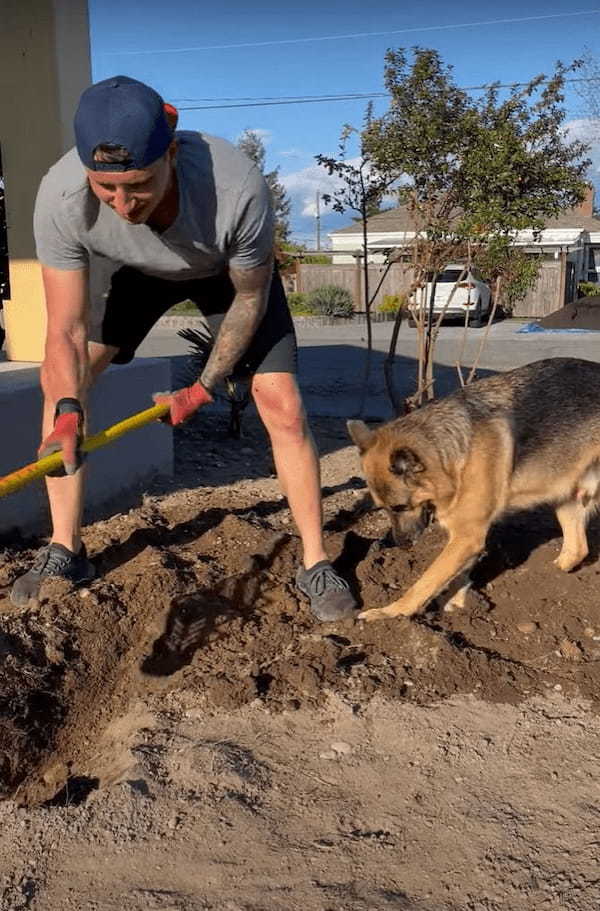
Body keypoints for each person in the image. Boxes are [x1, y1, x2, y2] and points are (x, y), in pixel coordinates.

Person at [10, 76, 357, 622]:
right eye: (106, 188)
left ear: (171, 151)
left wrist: (204, 387)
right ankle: (65, 551)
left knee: (282, 405)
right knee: (61, 400)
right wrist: (70, 410)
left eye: (139, 185)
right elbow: (65, 332)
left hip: (222, 275)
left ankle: (314, 561)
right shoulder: (59, 196)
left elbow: (248, 300)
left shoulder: (235, 186)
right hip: (131, 275)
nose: (123, 204)